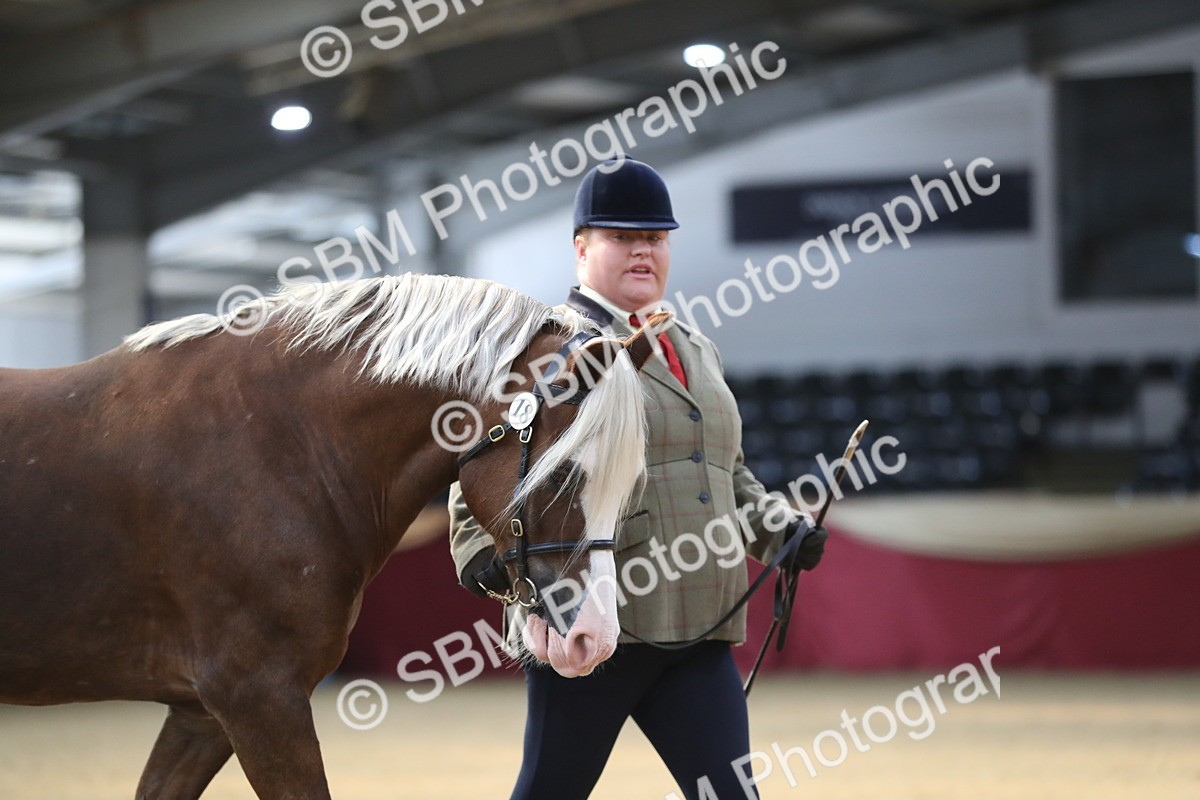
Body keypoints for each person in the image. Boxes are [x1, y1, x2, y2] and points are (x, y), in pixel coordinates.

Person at [447, 157, 828, 800]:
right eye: (622, 237)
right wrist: (478, 550)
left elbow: (722, 470)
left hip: (701, 619)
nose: (642, 250)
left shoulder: (695, 346)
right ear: (581, 246)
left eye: (654, 237)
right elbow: (482, 468)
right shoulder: (551, 347)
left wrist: (777, 531)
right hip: (592, 621)